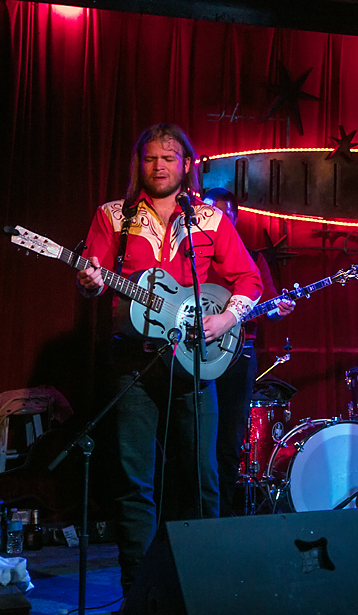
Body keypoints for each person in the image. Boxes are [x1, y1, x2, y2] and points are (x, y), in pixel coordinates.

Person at [76, 124, 263, 590]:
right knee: (134, 483)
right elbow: (94, 276)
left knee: (201, 479)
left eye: (168, 158)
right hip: (133, 365)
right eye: (150, 158)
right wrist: (88, 280)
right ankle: (138, 593)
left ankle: (203, 588)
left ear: (186, 164)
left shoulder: (209, 218)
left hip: (194, 364)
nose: (158, 166)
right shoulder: (113, 215)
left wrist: (226, 319)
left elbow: (249, 280)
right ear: (138, 163)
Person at [201, 188, 295, 516]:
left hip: (238, 356)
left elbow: (266, 304)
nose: (216, 220)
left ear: (235, 218)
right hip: (192, 352)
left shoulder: (252, 258)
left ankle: (223, 518)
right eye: (210, 213)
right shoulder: (191, 252)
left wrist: (277, 309)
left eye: (224, 214)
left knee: (229, 440)